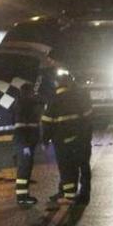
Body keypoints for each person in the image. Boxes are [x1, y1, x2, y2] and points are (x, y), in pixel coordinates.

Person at [42, 72, 92, 209]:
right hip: (80, 139)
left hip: (62, 141)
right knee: (82, 166)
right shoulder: (78, 97)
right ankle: (81, 194)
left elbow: (47, 122)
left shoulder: (54, 100)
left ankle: (68, 196)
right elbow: (87, 118)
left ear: (57, 84)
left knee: (66, 167)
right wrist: (86, 136)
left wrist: (44, 140)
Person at [13, 83, 41, 206]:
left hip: (27, 142)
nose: (33, 94)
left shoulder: (24, 104)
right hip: (24, 142)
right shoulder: (23, 106)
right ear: (28, 93)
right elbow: (20, 128)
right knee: (24, 169)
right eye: (32, 93)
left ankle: (24, 195)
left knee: (26, 168)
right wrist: (24, 145)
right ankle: (22, 198)